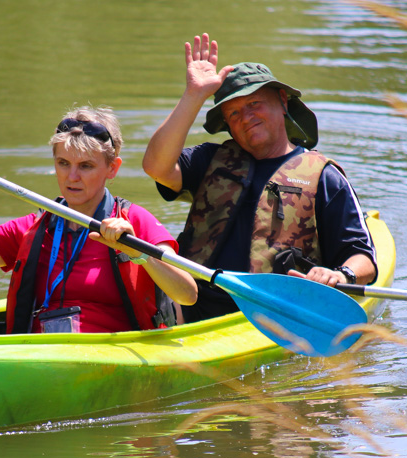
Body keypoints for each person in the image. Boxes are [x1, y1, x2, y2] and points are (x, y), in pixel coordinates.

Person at [143, 33, 377, 323]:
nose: (246, 117)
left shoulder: (324, 177)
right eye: (234, 113)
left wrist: (340, 274)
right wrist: (194, 95)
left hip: (275, 315)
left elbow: (363, 259)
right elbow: (156, 166)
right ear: (227, 124)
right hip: (191, 307)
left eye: (254, 104)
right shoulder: (208, 161)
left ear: (282, 101)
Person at [0, 106, 197, 334]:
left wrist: (141, 255)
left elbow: (188, 294)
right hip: (43, 357)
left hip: (111, 361)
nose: (72, 177)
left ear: (113, 168)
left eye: (86, 166)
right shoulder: (31, 230)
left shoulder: (133, 222)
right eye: (64, 164)